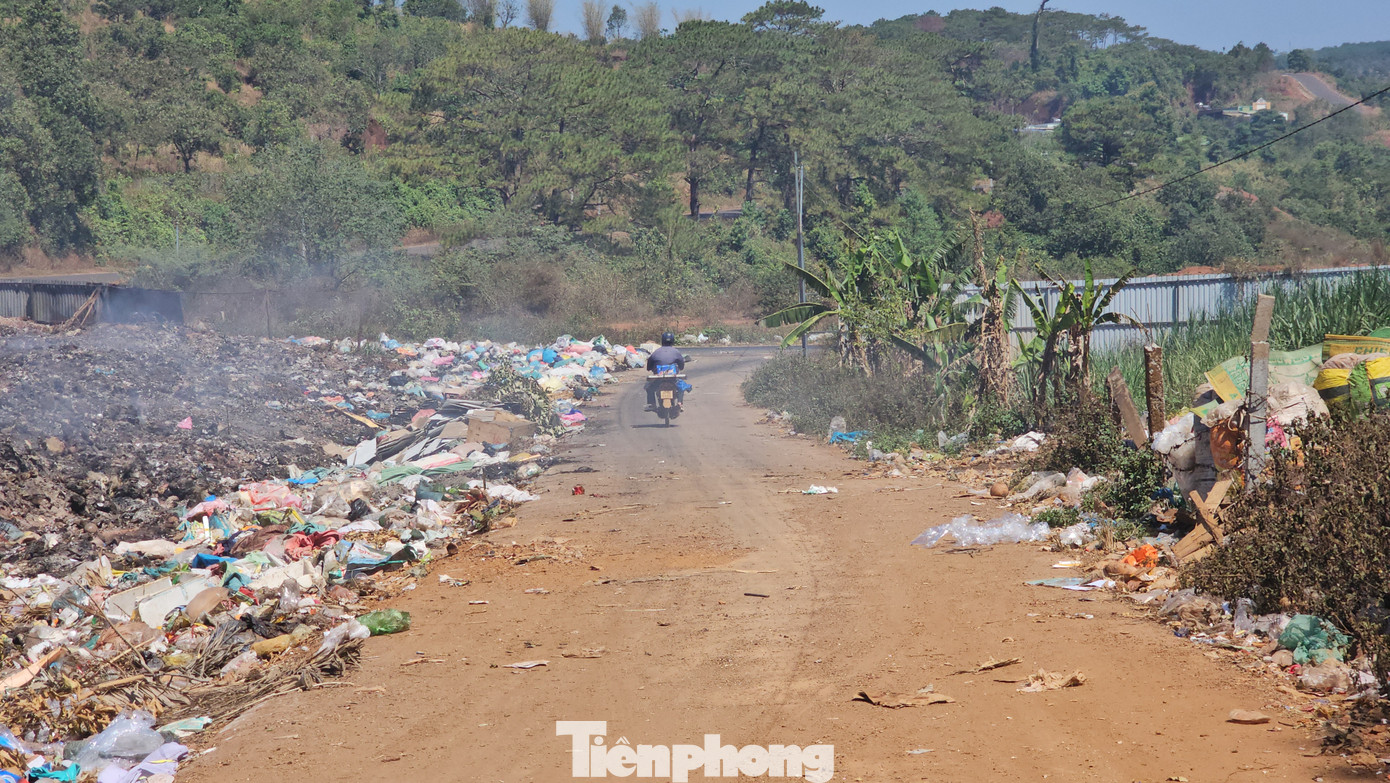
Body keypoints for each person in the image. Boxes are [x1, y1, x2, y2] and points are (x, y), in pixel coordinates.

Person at [645, 332, 686, 411]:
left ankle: (652, 404)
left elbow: (648, 366)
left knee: (649, 387)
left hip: (658, 378)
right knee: (681, 386)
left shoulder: (656, 352)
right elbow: (681, 366)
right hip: (672, 378)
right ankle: (680, 403)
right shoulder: (676, 352)